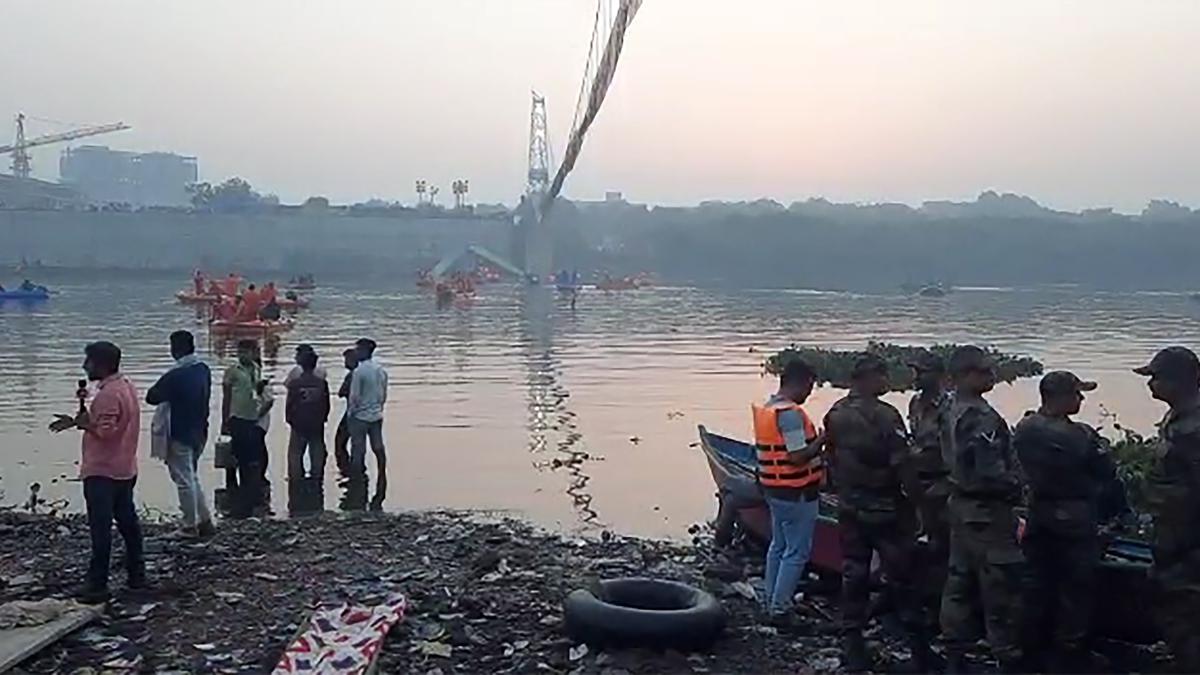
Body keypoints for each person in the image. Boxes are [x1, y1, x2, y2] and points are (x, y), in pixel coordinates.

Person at [824, 355, 931, 672]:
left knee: (854, 573)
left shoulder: (836, 414)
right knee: (902, 578)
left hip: (849, 506)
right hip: (885, 509)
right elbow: (903, 466)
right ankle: (920, 650)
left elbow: (832, 459)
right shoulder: (886, 416)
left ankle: (853, 643)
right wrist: (921, 505)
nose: (887, 383)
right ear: (869, 378)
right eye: (884, 376)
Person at [1014, 371, 1111, 672]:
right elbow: (1105, 471)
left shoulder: (1025, 427)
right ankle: (1070, 652)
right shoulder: (1080, 436)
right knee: (1076, 589)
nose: (1080, 399)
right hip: (1074, 518)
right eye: (1076, 394)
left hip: (1039, 513)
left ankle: (1030, 649)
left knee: (1035, 583)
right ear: (1061, 397)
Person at [939, 345, 1024, 673]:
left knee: (958, 581)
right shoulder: (981, 416)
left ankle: (955, 656)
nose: (991, 376)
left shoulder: (950, 407)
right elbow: (991, 473)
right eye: (984, 371)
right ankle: (1007, 657)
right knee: (1001, 589)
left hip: (959, 506)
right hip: (987, 513)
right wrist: (1017, 487)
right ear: (964, 375)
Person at [49, 342, 145, 603]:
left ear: (100, 364)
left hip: (103, 471)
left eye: (88, 362)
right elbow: (108, 424)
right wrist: (80, 419)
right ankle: (137, 575)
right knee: (128, 524)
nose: (84, 366)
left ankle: (97, 584)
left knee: (100, 529)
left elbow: (105, 431)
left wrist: (82, 424)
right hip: (124, 467)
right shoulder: (126, 386)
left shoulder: (108, 395)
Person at [1133, 346, 1200, 672]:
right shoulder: (1177, 419)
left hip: (1190, 542)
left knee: (1185, 609)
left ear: (1179, 380)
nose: (1150, 386)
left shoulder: (1195, 427)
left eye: (1156, 378)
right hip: (1171, 536)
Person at [751, 357, 823, 623]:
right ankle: (780, 609)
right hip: (796, 492)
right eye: (810, 387)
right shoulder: (790, 414)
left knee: (778, 545)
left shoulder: (770, 407)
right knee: (797, 551)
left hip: (774, 490)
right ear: (802, 382)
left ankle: (771, 599)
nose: (809, 393)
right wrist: (822, 441)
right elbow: (796, 456)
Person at [146, 331, 215, 538]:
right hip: (199, 429)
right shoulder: (203, 370)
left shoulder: (175, 376)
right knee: (192, 476)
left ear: (175, 349)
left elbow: (151, 397)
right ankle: (204, 521)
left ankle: (189, 525)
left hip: (179, 431)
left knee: (183, 479)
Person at [907, 352, 951, 605]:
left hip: (943, 483)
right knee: (923, 542)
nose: (916, 377)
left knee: (942, 546)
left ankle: (940, 602)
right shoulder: (915, 403)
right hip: (919, 483)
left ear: (938, 376)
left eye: (922, 372)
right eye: (915, 371)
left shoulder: (949, 406)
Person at [221, 339, 267, 518]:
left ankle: (250, 495)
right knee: (238, 457)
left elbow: (257, 392)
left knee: (253, 459)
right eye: (241, 351)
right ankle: (237, 494)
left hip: (253, 419)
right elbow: (226, 397)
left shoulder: (256, 369)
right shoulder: (232, 371)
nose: (243, 354)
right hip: (237, 419)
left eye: (246, 351)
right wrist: (224, 421)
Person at [286, 349, 330, 512]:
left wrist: (289, 419)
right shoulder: (321, 383)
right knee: (317, 450)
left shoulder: (295, 383)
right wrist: (324, 418)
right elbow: (326, 403)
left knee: (295, 452)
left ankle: (295, 483)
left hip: (299, 421)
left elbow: (289, 404)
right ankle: (316, 478)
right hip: (316, 421)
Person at [347, 338, 388, 511]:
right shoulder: (381, 370)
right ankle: (382, 474)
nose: (355, 352)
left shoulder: (359, 372)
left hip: (361, 416)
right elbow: (383, 393)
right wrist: (378, 408)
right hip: (376, 414)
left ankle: (357, 481)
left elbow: (354, 396)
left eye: (357, 349)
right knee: (378, 446)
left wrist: (351, 413)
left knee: (358, 448)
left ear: (364, 351)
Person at [334, 347, 358, 478]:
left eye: (346, 360)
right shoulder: (360, 373)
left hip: (351, 413)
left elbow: (341, 392)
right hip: (362, 413)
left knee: (340, 443)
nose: (344, 363)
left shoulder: (352, 375)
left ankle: (346, 472)